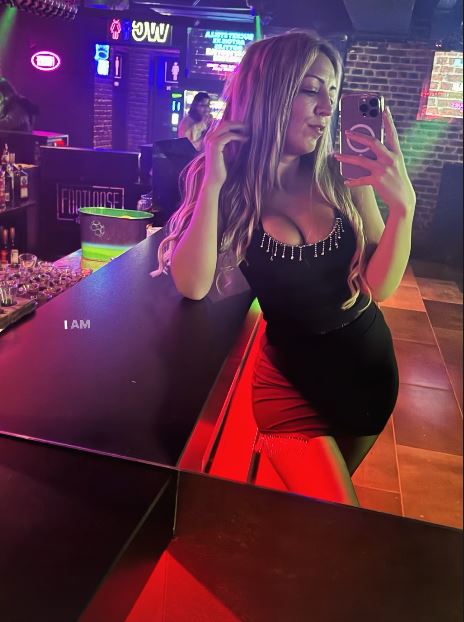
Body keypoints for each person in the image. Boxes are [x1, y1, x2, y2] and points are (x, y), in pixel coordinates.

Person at [152, 31, 416, 507]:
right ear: (269, 93)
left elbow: (378, 286)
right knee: (341, 522)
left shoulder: (341, 175)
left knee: (317, 524)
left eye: (332, 92)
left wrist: (403, 210)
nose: (327, 108)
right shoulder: (231, 187)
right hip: (288, 388)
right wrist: (212, 183)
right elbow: (192, 285)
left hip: (368, 381)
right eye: (311, 89)